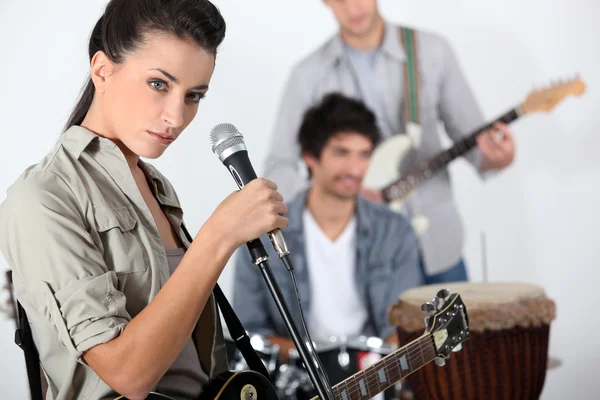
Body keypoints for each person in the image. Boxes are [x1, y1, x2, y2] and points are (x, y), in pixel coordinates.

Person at [0, 1, 289, 399]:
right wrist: (220, 235)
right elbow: (128, 376)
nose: (176, 115)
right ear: (102, 71)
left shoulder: (157, 188)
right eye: (159, 84)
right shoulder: (42, 198)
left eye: (194, 96)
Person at [263, 0, 515, 284]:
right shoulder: (308, 75)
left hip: (437, 246)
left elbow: (476, 144)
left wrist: (498, 156)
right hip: (365, 259)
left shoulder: (433, 52)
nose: (353, 8)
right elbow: (279, 167)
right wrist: (336, 195)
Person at [233, 93, 424, 360]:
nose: (354, 169)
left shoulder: (395, 232)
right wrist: (318, 363)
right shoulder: (263, 234)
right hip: (298, 383)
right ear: (310, 156)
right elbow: (250, 333)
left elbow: (405, 328)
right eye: (341, 153)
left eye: (363, 154)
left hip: (373, 376)